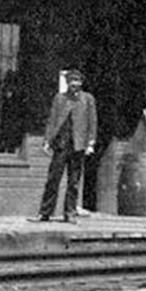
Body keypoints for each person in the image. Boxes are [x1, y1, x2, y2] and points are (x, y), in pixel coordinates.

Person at [37, 67, 98, 222]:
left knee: (74, 181)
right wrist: (47, 141)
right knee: (53, 179)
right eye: (71, 81)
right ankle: (45, 212)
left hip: (78, 145)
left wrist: (90, 143)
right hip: (61, 144)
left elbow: (92, 122)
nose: (74, 84)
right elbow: (52, 121)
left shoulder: (87, 99)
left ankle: (69, 213)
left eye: (77, 81)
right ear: (67, 82)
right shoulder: (59, 98)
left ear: (81, 83)